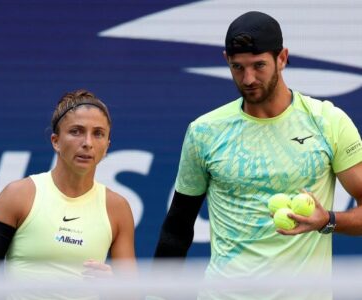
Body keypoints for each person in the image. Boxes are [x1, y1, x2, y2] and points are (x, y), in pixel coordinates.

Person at [153, 11, 362, 299]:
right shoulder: (204, 131)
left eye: (258, 65)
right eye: (237, 67)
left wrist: (327, 219)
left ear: (283, 58)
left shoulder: (328, 121)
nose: (248, 78)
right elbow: (177, 228)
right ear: (226, 59)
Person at [0, 89, 137, 298]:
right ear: (55, 141)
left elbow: (131, 294)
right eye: (76, 131)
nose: (87, 142)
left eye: (98, 133)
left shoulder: (117, 208)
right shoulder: (18, 195)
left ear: (107, 147)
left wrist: (114, 286)